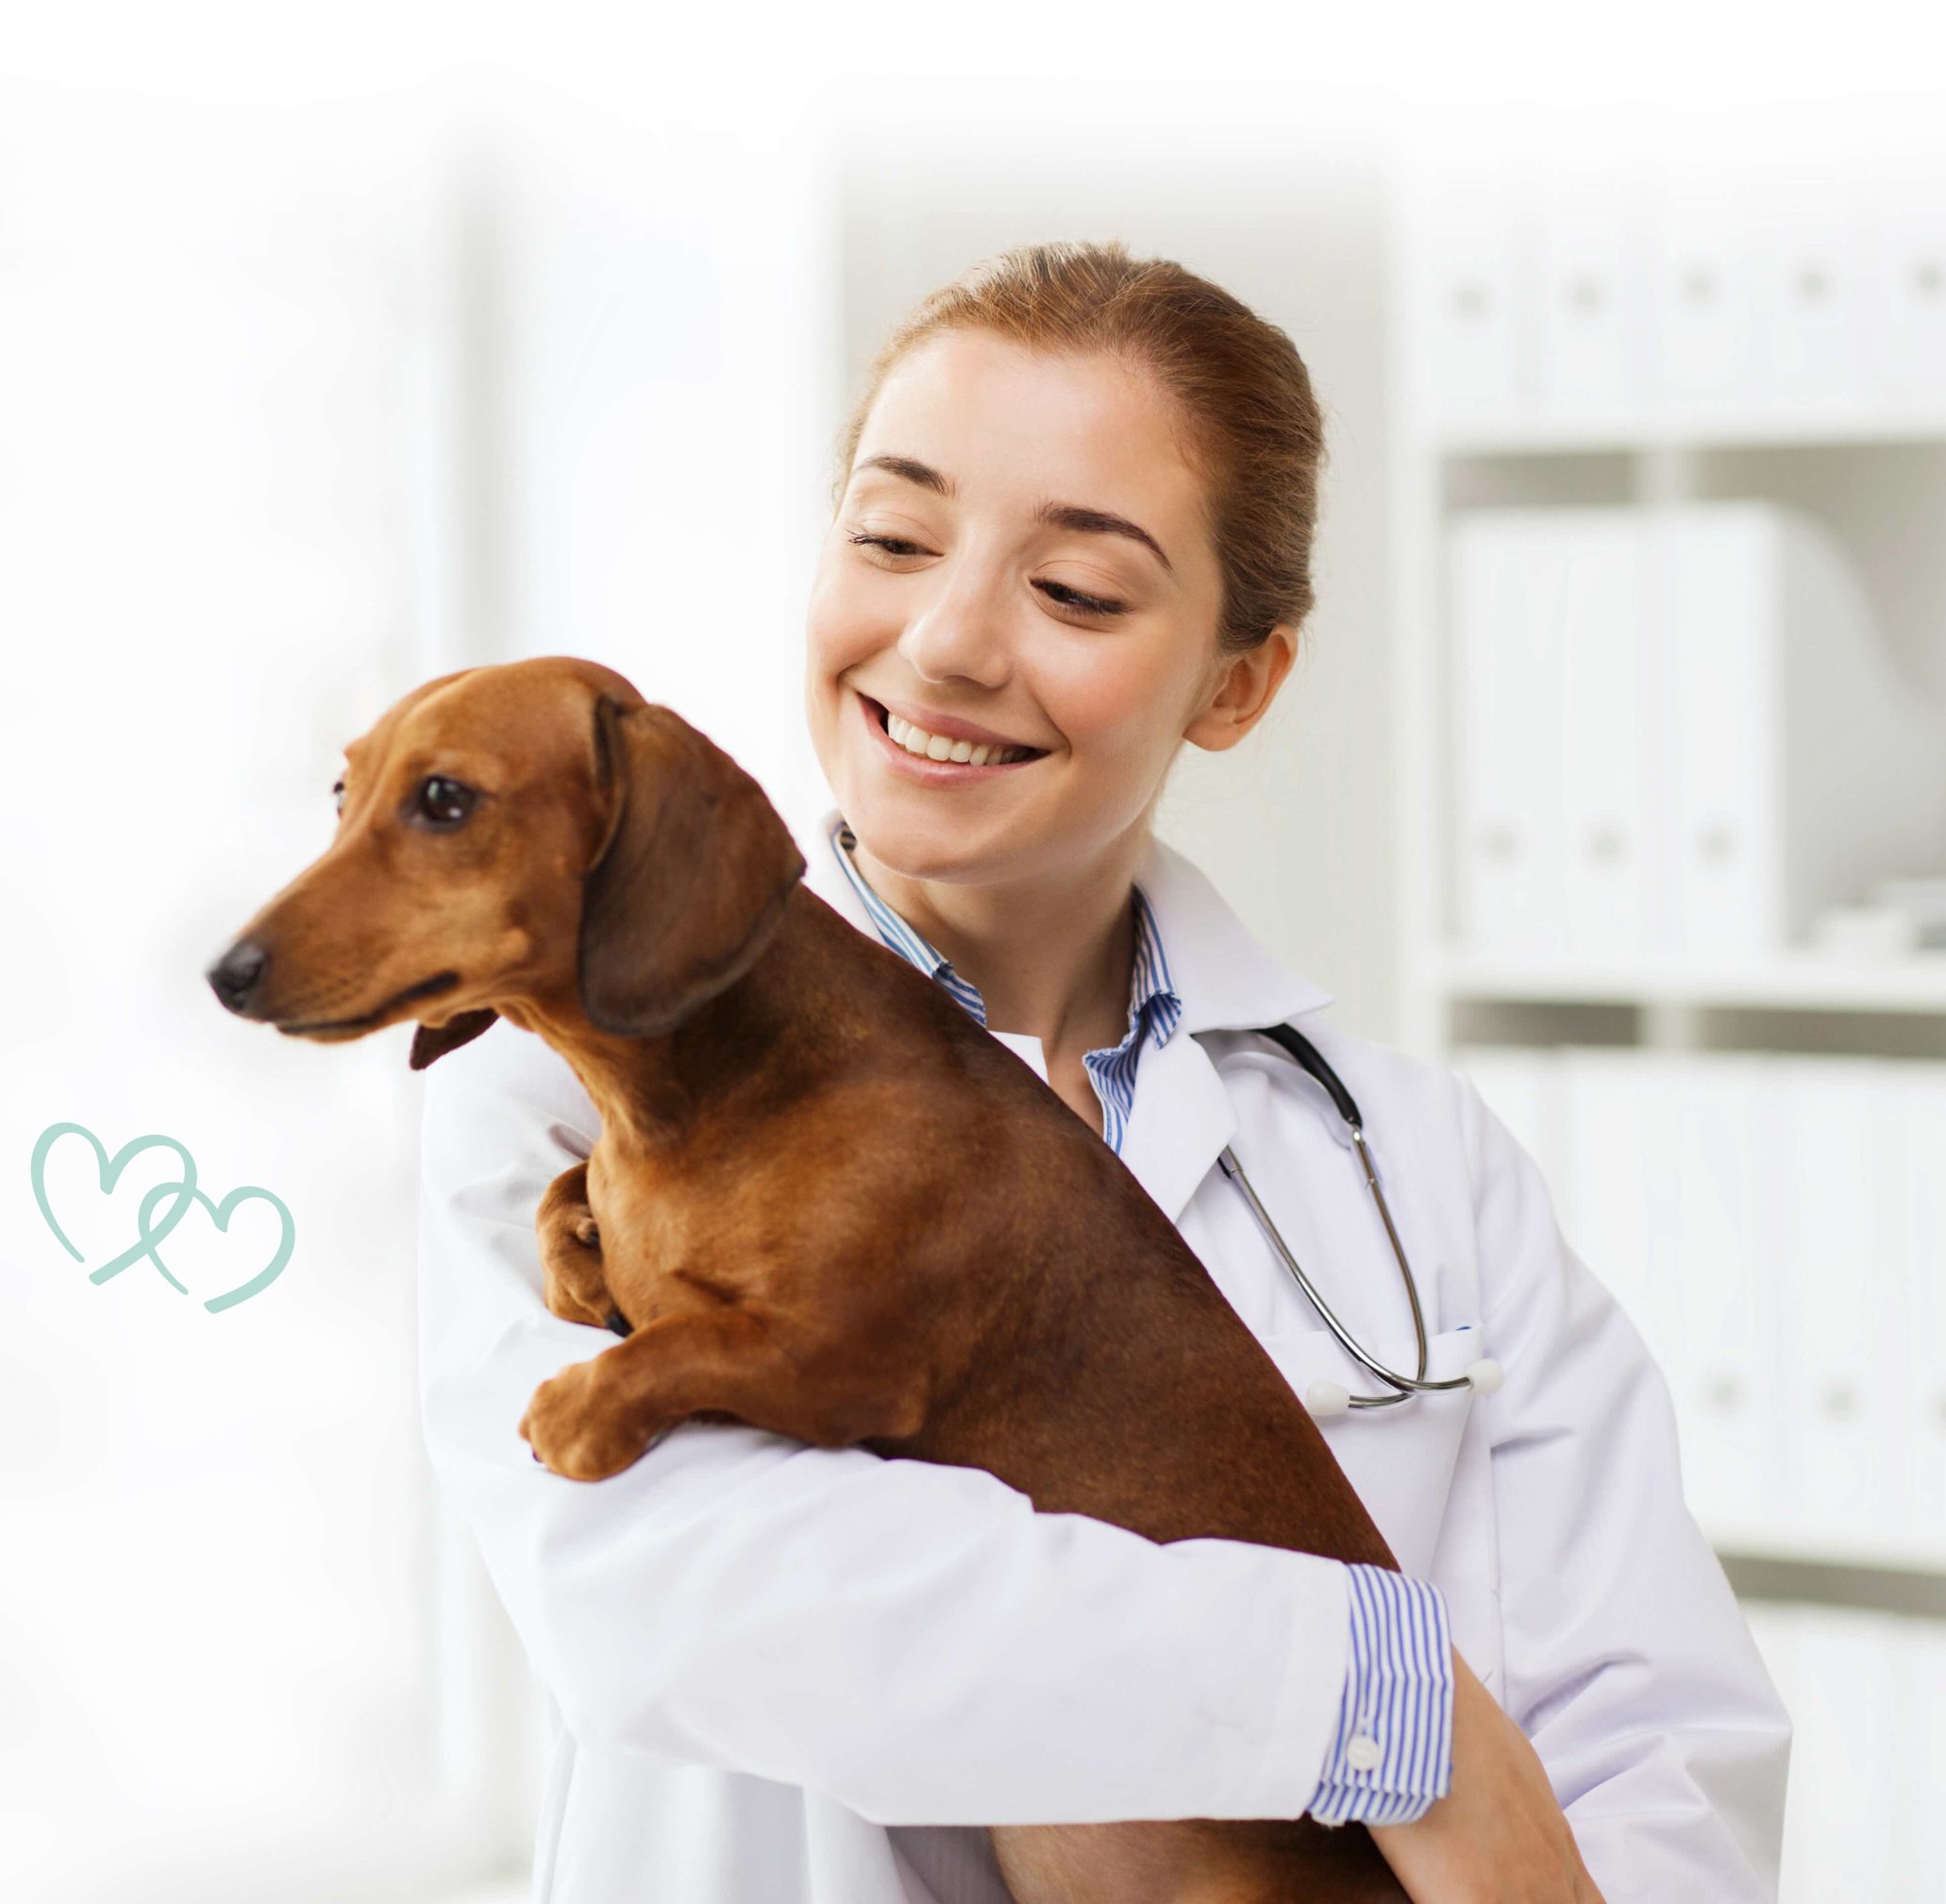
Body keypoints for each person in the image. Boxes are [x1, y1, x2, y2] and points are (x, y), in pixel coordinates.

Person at [413, 241, 1790, 1902]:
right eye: (893, 537)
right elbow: (671, 1598)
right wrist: (1379, 1695)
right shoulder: (560, 1087)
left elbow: (1663, 1750)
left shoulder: (1416, 1165)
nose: (942, 644)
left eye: (1074, 591)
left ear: (1239, 681)